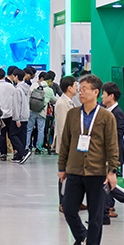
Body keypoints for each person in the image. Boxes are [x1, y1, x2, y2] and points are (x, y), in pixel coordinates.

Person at [58, 74, 119, 245]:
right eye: (80, 89)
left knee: (95, 216)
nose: (81, 92)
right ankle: (81, 236)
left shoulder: (106, 117)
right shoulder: (72, 114)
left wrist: (112, 171)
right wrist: (61, 167)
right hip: (74, 170)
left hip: (97, 172)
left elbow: (112, 145)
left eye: (85, 89)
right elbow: (65, 143)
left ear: (96, 92)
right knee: (69, 209)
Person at [100, 82, 124, 224]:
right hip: (105, 153)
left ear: (111, 96)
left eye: (104, 94)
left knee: (103, 182)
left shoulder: (118, 113)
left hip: (112, 154)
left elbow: (118, 135)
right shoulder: (105, 110)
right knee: (105, 182)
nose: (102, 96)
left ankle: (105, 213)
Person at [55, 76, 78, 211]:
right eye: (75, 85)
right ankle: (63, 203)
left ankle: (74, 201)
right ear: (69, 88)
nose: (77, 88)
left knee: (72, 175)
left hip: (72, 145)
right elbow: (63, 128)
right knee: (64, 174)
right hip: (67, 146)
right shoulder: (62, 104)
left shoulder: (69, 102)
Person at [27, 71, 57, 155]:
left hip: (32, 110)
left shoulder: (34, 85)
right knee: (41, 130)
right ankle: (38, 148)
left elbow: (29, 95)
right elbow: (54, 100)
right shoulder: (49, 90)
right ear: (49, 81)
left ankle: (27, 146)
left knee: (29, 129)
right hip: (42, 112)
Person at [10, 68, 31, 164]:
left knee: (12, 135)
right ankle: (19, 156)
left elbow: (16, 105)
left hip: (19, 116)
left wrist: (17, 119)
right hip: (25, 115)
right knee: (22, 136)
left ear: (16, 77)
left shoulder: (18, 90)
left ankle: (23, 153)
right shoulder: (26, 88)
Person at [0, 68, 15, 161]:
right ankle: (15, 152)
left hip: (0, 115)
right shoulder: (10, 86)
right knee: (12, 134)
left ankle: (3, 154)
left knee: (1, 135)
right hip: (10, 114)